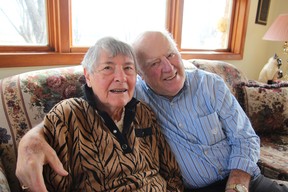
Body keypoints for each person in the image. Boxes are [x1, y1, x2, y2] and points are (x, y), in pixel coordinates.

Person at [16, 31, 288, 192]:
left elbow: (245, 138)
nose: (168, 68)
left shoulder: (205, 87)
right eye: (154, 63)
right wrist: (30, 141)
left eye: (171, 55)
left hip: (242, 179)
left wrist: (237, 185)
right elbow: (70, 118)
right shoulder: (115, 102)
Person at [16, 36, 183, 192]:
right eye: (108, 68)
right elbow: (53, 182)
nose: (121, 77)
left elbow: (172, 174)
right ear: (88, 76)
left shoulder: (144, 113)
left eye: (128, 68)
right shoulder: (69, 114)